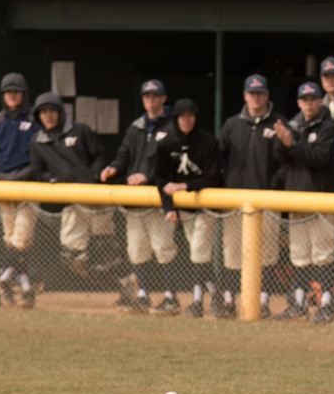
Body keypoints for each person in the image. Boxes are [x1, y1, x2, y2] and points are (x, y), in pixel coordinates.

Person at [100, 79, 178, 314]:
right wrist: (114, 167)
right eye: (147, 97)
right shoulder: (136, 127)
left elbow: (172, 160)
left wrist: (147, 176)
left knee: (163, 247)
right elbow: (124, 154)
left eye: (156, 96)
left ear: (164, 98)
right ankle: (142, 295)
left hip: (158, 196)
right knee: (137, 248)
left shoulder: (173, 126)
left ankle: (170, 297)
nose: (151, 100)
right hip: (136, 199)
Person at [216, 74, 284, 319]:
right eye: (252, 93)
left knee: (266, 255)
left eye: (260, 93)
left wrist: (274, 187)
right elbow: (219, 156)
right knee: (233, 254)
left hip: (266, 200)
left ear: (267, 95)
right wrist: (227, 182)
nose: (256, 97)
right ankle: (228, 300)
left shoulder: (278, 123)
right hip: (236, 200)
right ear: (245, 95)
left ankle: (262, 302)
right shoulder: (232, 125)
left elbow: (285, 162)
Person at [273, 81, 334, 321]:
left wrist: (292, 144)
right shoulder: (292, 124)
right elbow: (281, 158)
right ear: (299, 102)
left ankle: (326, 304)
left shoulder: (329, 126)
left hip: (322, 198)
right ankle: (298, 303)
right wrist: (284, 143)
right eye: (305, 100)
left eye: (313, 99)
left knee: (323, 255)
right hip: (297, 198)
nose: (309, 103)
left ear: (320, 101)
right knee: (299, 255)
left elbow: (319, 158)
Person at [155, 98, 225, 317]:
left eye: (190, 115)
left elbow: (214, 178)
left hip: (206, 205)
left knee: (198, 252)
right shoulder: (167, 141)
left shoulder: (208, 141)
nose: (186, 120)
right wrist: (169, 207)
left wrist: (185, 185)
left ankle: (197, 300)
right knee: (199, 255)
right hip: (184, 208)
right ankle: (217, 295)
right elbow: (161, 178)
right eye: (182, 115)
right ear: (176, 118)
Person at [27, 91, 106, 277]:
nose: (48, 116)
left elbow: (100, 155)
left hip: (96, 198)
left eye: (52, 111)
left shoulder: (80, 130)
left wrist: (93, 175)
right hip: (71, 201)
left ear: (61, 112)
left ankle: (125, 289)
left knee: (106, 249)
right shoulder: (37, 141)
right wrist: (53, 180)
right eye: (43, 112)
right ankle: (96, 279)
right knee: (70, 251)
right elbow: (37, 171)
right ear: (38, 115)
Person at [0, 72, 39, 306]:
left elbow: (40, 154)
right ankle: (25, 287)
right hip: (4, 186)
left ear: (23, 94)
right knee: (11, 237)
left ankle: (2, 276)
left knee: (21, 237)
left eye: (16, 92)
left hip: (29, 186)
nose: (12, 96)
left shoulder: (34, 119)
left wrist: (21, 174)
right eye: (8, 92)